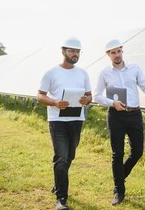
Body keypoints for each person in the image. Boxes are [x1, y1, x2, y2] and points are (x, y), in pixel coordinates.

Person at [93, 39, 145, 205]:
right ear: (108, 54)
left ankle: (120, 177)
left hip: (135, 114)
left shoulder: (134, 68)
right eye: (113, 52)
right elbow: (97, 95)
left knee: (137, 151)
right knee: (117, 154)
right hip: (115, 116)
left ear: (122, 51)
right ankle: (119, 191)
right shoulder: (104, 73)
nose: (116, 55)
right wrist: (112, 103)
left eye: (118, 51)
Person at [37, 37, 92, 210]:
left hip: (76, 120)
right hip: (57, 121)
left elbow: (90, 96)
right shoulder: (51, 73)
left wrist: (86, 100)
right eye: (72, 51)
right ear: (63, 52)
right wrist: (54, 103)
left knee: (69, 157)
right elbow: (40, 95)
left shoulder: (83, 73)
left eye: (78, 51)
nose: (75, 54)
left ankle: (58, 183)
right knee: (60, 158)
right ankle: (61, 199)